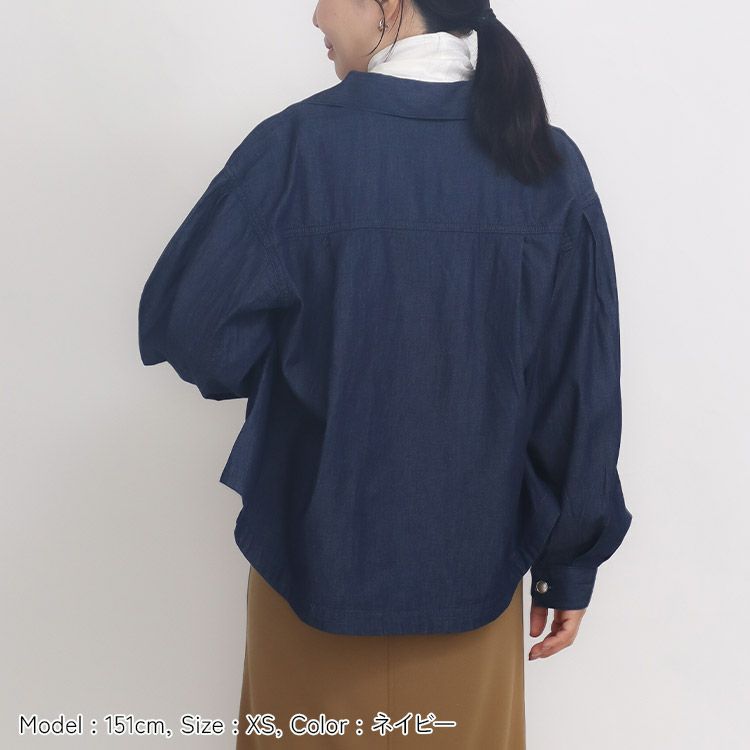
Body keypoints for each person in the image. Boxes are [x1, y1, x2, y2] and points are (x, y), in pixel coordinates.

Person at [138, 1, 633, 747]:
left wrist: (318, 359)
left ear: (387, 2)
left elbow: (190, 329)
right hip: (476, 579)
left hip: (309, 569)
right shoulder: (545, 164)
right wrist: (570, 564)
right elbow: (578, 390)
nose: (314, 15)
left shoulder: (294, 150)